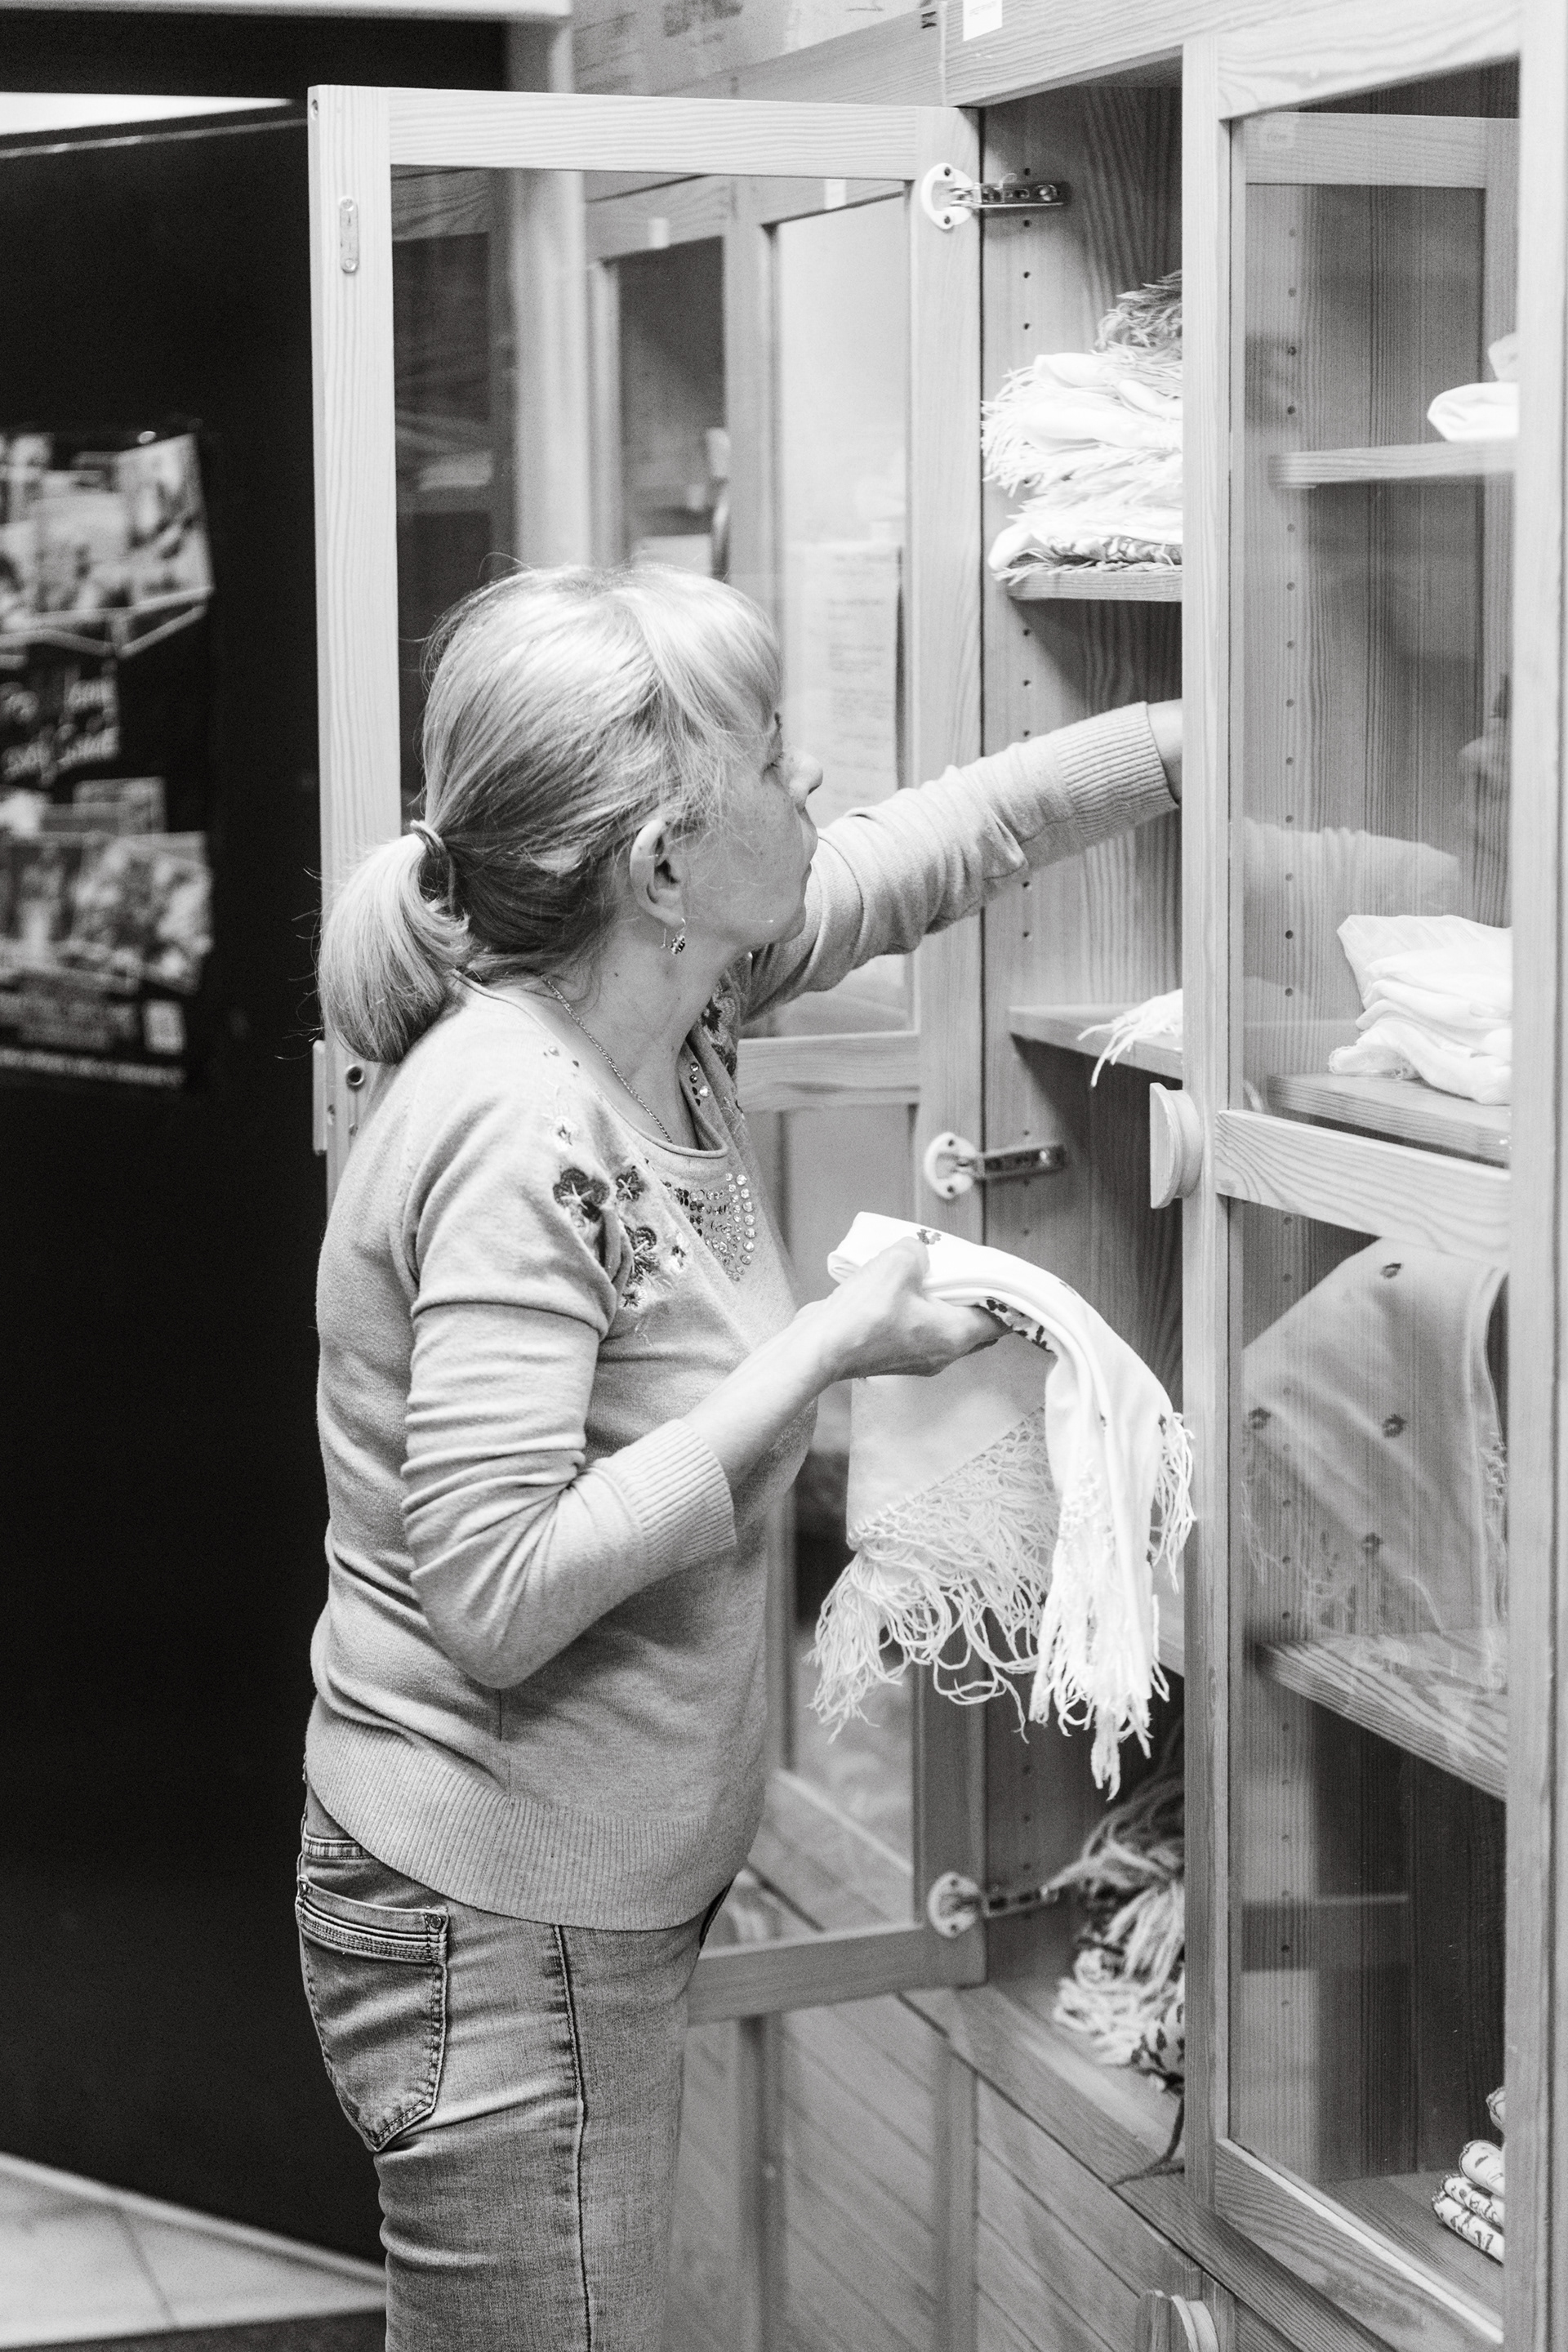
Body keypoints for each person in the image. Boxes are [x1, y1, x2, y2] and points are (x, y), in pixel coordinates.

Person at [301, 562, 1182, 2350]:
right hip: (501, 1924)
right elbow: (493, 1593)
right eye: (774, 762)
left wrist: (1188, 732)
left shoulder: (669, 1003)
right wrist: (822, 1356)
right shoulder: (518, 1125)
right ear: (660, 869)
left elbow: (940, 844)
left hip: (556, 1902)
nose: (815, 780)